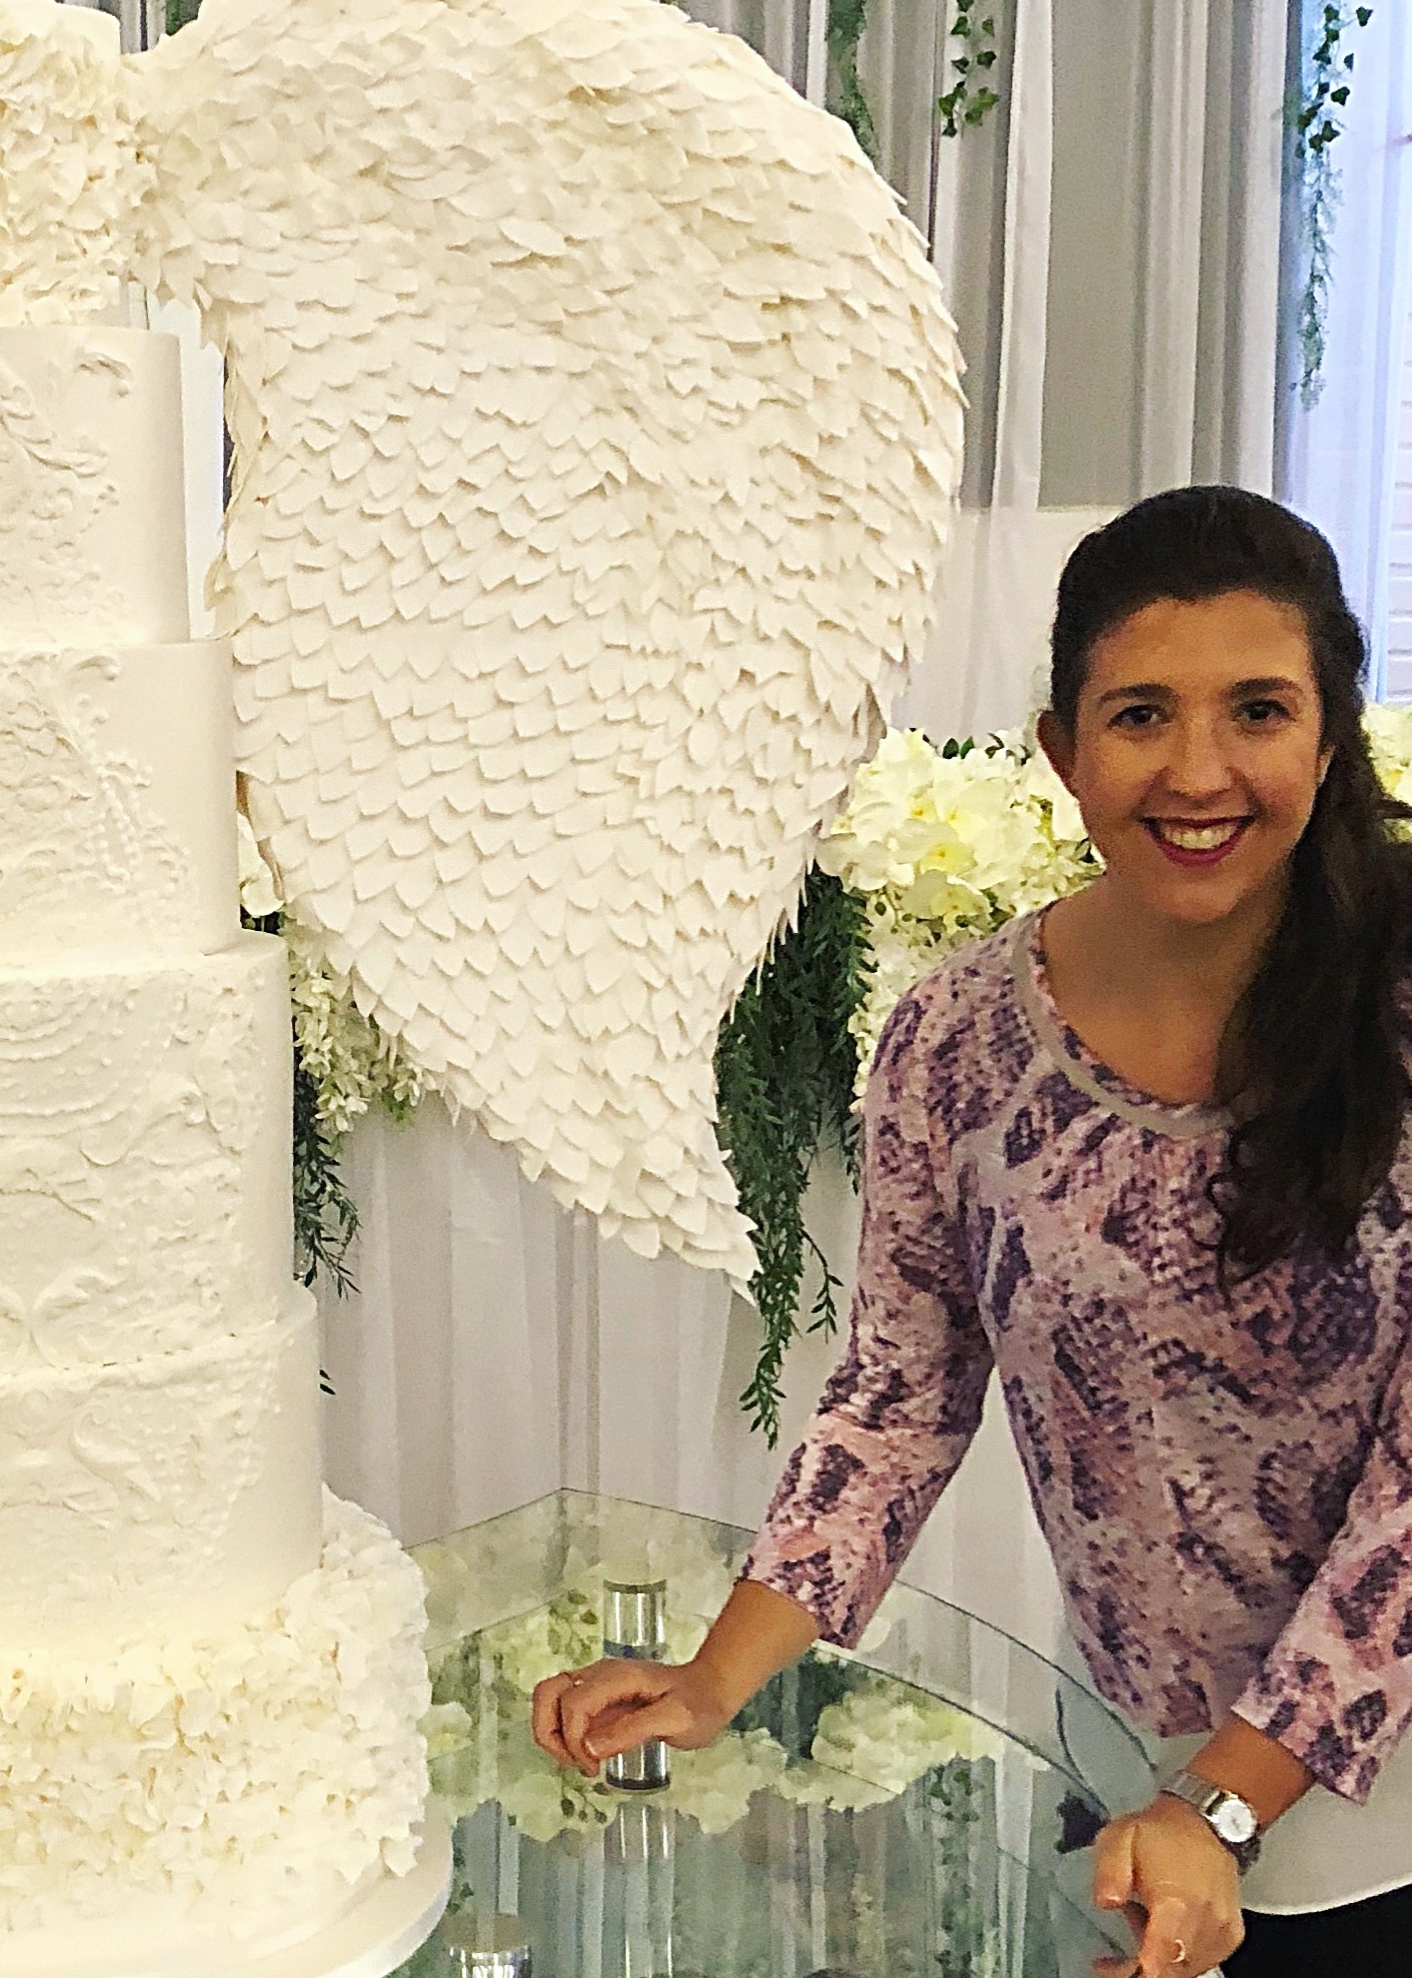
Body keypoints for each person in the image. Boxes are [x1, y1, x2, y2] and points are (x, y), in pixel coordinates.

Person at [532, 488, 1412, 1976]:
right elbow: (899, 1395)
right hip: (1125, 1774)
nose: (1198, 770)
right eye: (1141, 715)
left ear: (1329, 741)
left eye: (1258, 710)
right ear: (1062, 750)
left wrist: (1225, 1802)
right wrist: (712, 1679)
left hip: (1370, 1815)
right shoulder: (958, 1040)